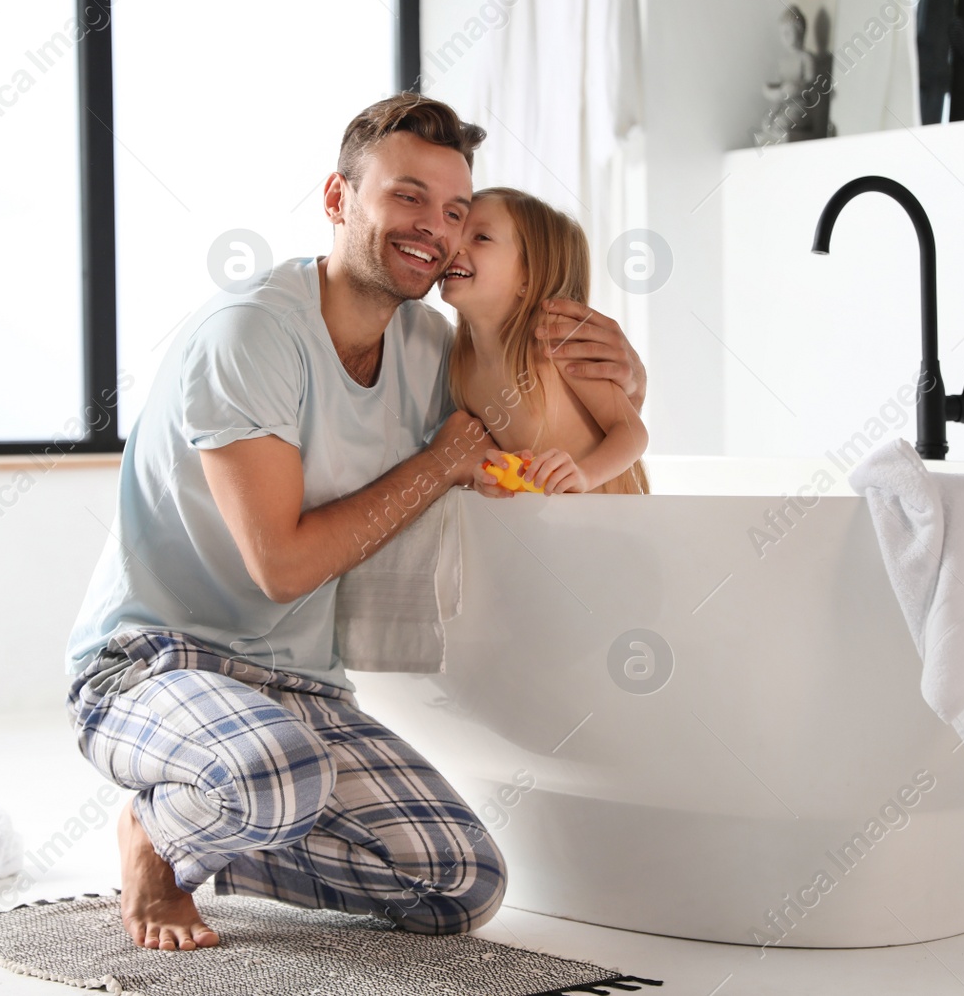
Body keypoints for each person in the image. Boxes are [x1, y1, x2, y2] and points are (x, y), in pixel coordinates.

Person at [64, 93, 647, 952]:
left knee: (461, 883)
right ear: (339, 200)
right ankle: (158, 837)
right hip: (153, 663)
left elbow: (523, 424)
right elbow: (283, 568)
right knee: (276, 774)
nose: (437, 228)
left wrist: (624, 381)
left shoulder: (425, 348)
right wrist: (437, 463)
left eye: (455, 211)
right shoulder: (252, 334)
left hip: (299, 687)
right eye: (406, 196)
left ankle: (231, 824)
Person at [442, 187, 648, 494]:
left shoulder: (555, 336)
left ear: (528, 277)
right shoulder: (464, 363)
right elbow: (502, 458)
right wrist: (488, 476)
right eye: (456, 231)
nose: (455, 245)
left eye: (481, 237)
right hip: (552, 526)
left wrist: (584, 475)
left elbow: (633, 432)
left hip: (614, 519)